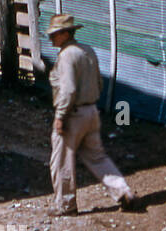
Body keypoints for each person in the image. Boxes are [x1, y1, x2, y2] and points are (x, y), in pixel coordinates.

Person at [46, 13, 139, 216]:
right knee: (97, 157)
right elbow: (99, 82)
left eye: (54, 34)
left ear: (65, 33)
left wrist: (61, 116)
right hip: (91, 112)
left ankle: (65, 205)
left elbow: (68, 90)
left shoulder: (66, 56)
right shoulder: (87, 50)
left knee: (62, 160)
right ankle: (123, 191)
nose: (51, 38)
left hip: (73, 114)